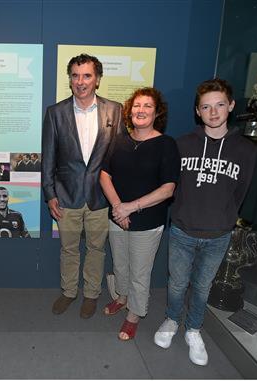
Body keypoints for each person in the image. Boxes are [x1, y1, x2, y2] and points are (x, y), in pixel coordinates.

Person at [153, 78, 257, 366]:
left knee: (202, 287)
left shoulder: (246, 151)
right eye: (206, 107)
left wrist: (222, 218)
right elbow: (173, 185)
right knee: (177, 284)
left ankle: (194, 329)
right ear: (198, 111)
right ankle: (172, 320)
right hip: (183, 230)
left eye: (220, 105)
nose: (213, 112)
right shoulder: (182, 144)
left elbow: (240, 193)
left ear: (231, 106)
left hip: (218, 234)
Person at [42, 53, 124, 318]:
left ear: (97, 79)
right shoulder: (55, 113)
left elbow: (118, 157)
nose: (81, 81)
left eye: (87, 75)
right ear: (70, 80)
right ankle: (69, 292)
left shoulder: (115, 109)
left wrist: (117, 197)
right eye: (75, 76)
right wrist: (50, 194)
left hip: (100, 197)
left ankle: (91, 294)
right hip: (66, 196)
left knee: (96, 249)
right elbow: (49, 157)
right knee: (68, 249)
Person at [99, 87, 180, 340]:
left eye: (147, 106)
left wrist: (130, 207)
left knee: (139, 272)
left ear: (157, 112)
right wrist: (117, 208)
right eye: (136, 105)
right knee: (120, 264)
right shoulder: (119, 140)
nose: (141, 110)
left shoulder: (166, 145)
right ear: (129, 110)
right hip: (118, 218)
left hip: (147, 222)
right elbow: (104, 175)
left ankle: (134, 314)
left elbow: (167, 189)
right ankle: (122, 298)